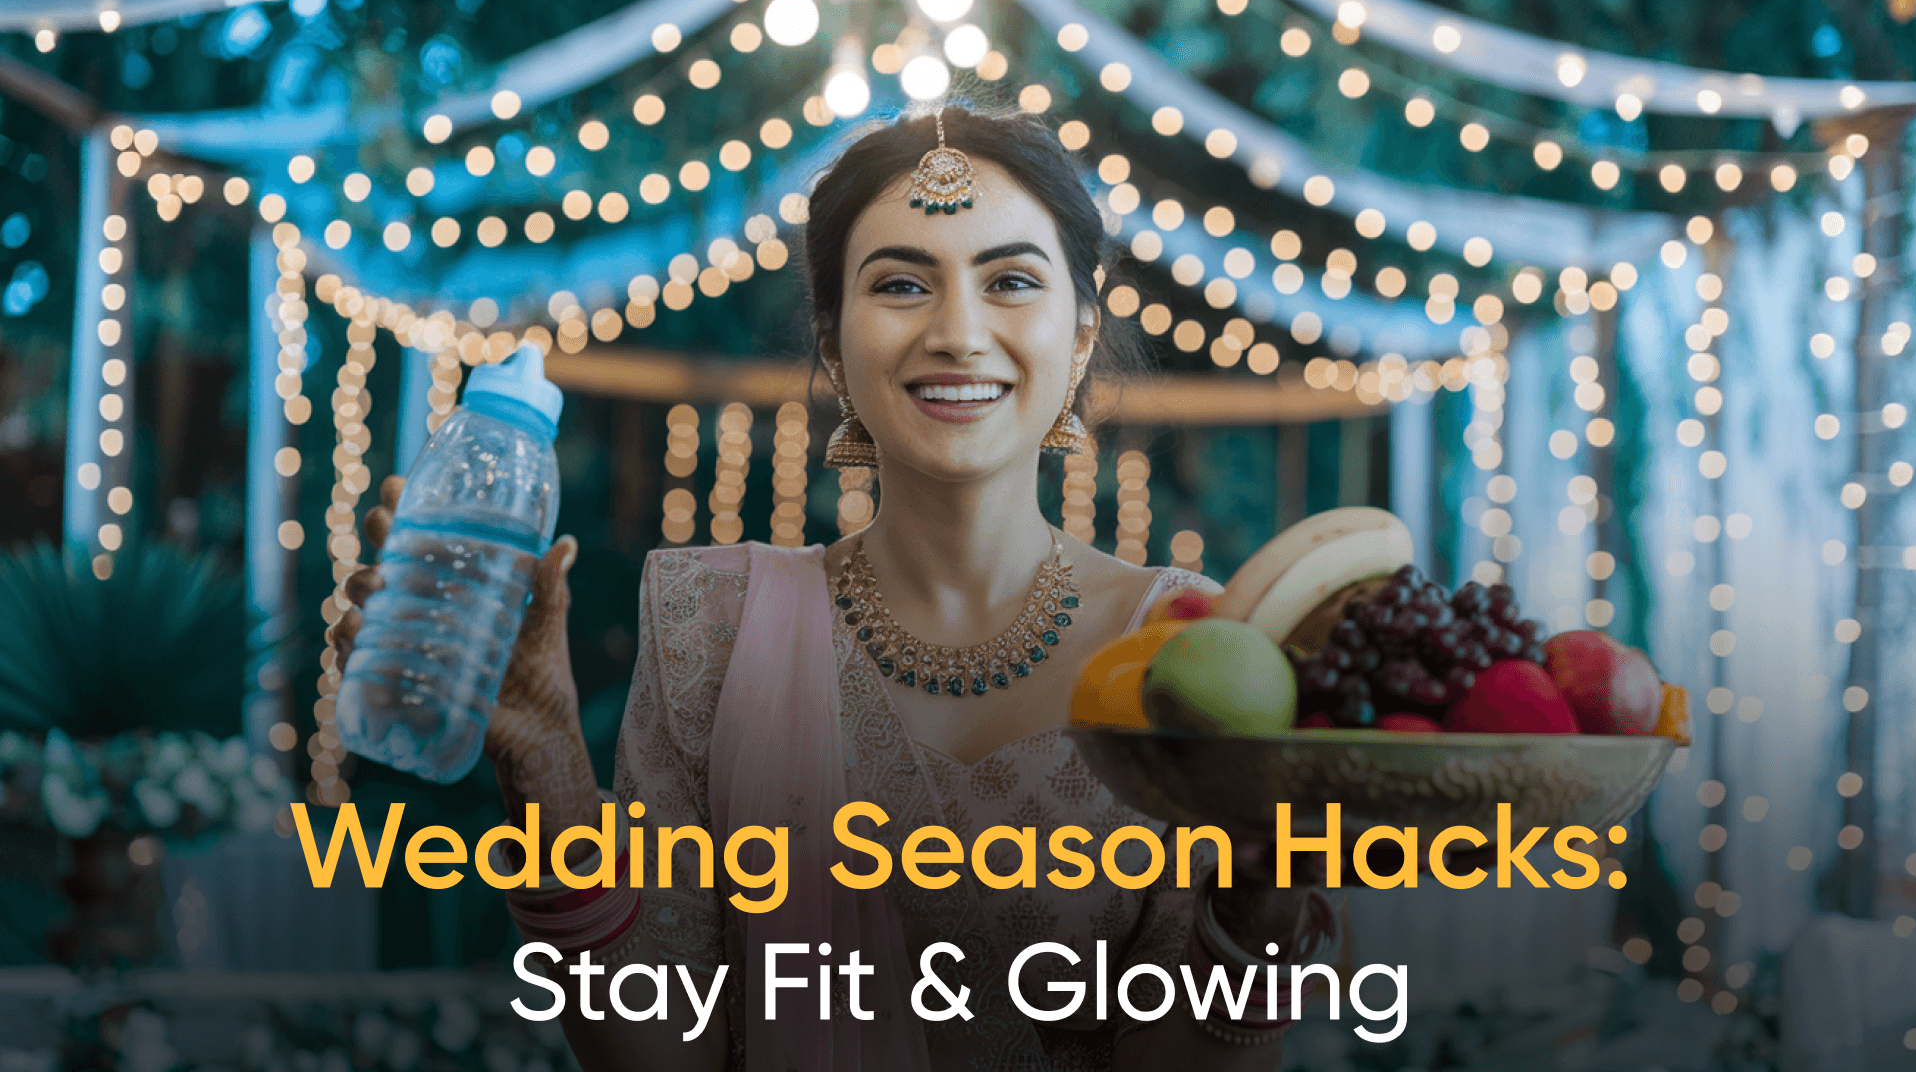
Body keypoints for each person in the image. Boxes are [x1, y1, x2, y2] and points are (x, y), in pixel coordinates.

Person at [330, 106, 1333, 1071]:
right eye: (901, 285)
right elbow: (659, 1053)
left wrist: (1263, 915)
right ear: (832, 344)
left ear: (1077, 337)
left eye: (1012, 281)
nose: (958, 332)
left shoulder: (1185, 646)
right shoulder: (711, 625)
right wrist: (545, 768)